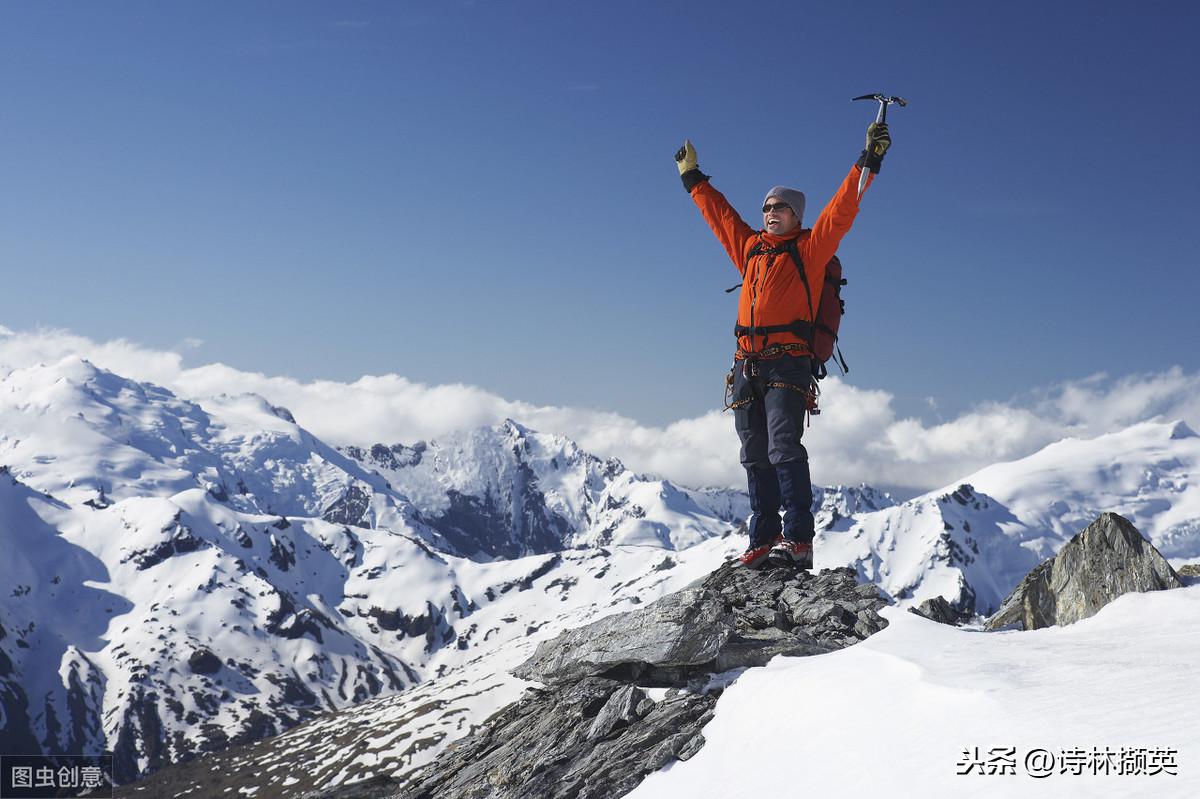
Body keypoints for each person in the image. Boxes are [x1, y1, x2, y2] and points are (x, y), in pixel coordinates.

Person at [674, 121, 890, 570]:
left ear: (796, 215)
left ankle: (798, 540)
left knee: (783, 447)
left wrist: (868, 160)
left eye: (780, 207)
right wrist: (693, 179)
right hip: (746, 365)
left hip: (788, 365)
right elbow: (722, 217)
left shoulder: (810, 251)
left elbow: (843, 209)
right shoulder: (751, 249)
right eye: (767, 206)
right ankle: (763, 537)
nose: (770, 212)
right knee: (754, 452)